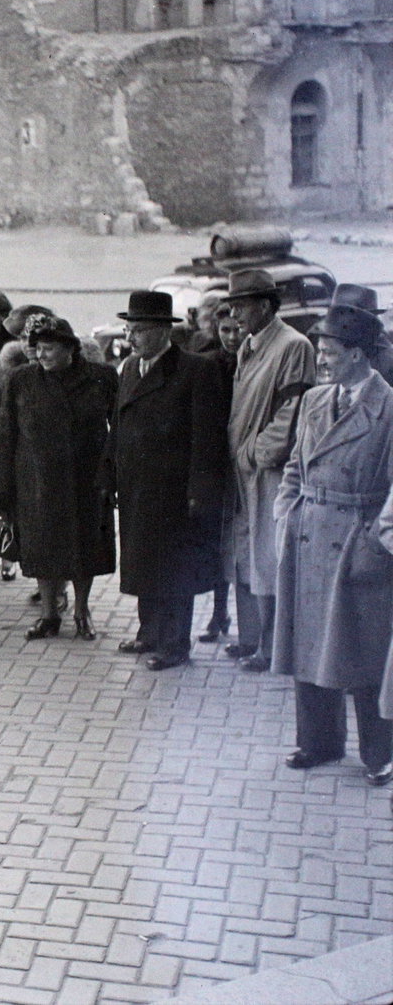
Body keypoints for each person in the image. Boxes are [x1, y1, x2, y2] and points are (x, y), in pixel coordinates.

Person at [271, 302, 393, 786]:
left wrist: (379, 543)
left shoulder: (389, 409)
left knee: (364, 650)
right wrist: (286, 514)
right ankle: (318, 742)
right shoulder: (315, 401)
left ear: (360, 355)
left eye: (330, 352)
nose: (321, 360)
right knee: (308, 644)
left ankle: (380, 753)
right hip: (308, 532)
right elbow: (295, 468)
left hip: (358, 538)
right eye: (320, 351)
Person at [105, 292, 229, 671]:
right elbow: (118, 426)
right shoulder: (129, 368)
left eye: (138, 330)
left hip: (173, 490)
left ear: (162, 331)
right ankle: (149, 633)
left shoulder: (195, 370)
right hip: (135, 486)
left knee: (174, 569)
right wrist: (108, 476)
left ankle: (175, 644)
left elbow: (207, 437)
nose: (131, 337)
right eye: (129, 329)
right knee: (141, 562)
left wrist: (199, 491)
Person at [0, 318, 116, 640]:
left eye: (48, 349)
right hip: (36, 480)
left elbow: (118, 429)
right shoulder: (21, 379)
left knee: (85, 549)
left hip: (85, 480)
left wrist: (110, 474)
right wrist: (2, 486)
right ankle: (48, 615)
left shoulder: (101, 378)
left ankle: (81, 610)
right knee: (40, 549)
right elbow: (5, 434)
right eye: (37, 349)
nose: (41, 356)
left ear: (70, 349)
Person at [224, 269, 316, 672]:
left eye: (241, 306)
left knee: (269, 556)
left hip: (270, 471)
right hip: (243, 471)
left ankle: (273, 647)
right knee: (245, 553)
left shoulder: (293, 346)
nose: (235, 314)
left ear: (264, 306)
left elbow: (291, 414)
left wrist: (255, 454)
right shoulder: (248, 345)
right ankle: (251, 639)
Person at [195, 305, 244, 644]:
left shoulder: (255, 361)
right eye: (225, 330)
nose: (231, 337)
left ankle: (249, 622)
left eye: (236, 329)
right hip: (217, 460)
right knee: (216, 540)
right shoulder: (209, 363)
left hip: (243, 458)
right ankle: (218, 612)